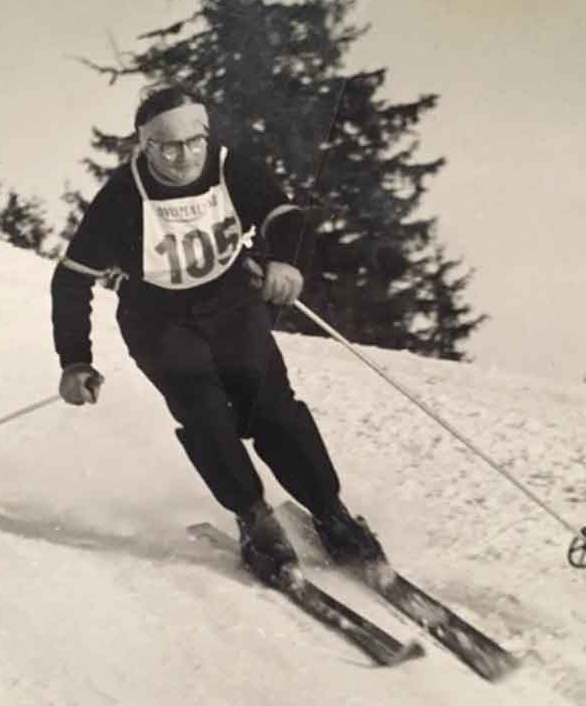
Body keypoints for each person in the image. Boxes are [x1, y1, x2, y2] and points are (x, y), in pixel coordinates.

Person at [50, 86, 383, 585]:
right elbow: (71, 279)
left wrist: (286, 261)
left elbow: (286, 216)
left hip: (231, 306)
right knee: (205, 413)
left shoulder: (229, 168)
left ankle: (330, 512)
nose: (183, 156)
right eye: (167, 147)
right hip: (158, 321)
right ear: (145, 147)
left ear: (207, 136)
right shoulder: (122, 197)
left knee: (272, 408)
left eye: (193, 142)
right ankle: (254, 518)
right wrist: (75, 360)